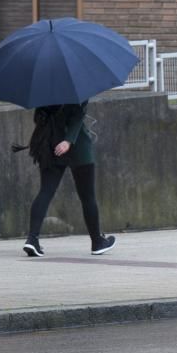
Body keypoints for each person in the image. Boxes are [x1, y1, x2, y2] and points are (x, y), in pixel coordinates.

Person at [18, 101, 116, 257]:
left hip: (50, 146)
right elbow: (78, 115)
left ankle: (32, 239)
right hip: (78, 148)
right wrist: (68, 140)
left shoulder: (45, 89)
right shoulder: (76, 85)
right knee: (87, 197)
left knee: (45, 191)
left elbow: (39, 118)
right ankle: (97, 242)